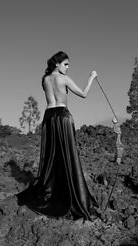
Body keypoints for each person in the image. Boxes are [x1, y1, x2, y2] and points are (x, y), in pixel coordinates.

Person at [16, 51, 99, 221]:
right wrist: (92, 77)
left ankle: (53, 190)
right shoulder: (64, 79)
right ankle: (73, 196)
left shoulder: (45, 79)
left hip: (48, 118)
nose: (67, 68)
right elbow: (83, 94)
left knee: (52, 157)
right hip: (62, 116)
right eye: (66, 64)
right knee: (68, 156)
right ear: (57, 64)